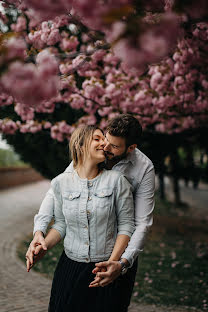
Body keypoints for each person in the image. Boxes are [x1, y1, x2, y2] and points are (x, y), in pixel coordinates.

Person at [26, 114, 155, 294]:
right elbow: (56, 193)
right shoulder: (88, 158)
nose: (106, 146)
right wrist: (39, 233)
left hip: (118, 253)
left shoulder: (143, 168)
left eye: (114, 146)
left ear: (131, 148)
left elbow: (141, 223)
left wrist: (121, 262)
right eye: (104, 138)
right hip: (74, 259)